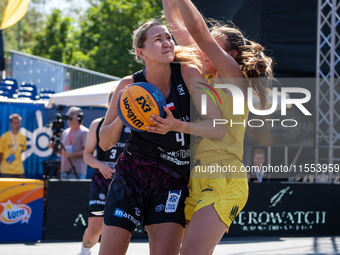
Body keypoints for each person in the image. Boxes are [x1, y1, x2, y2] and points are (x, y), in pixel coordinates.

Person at [156, 1, 274, 254]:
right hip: (196, 176)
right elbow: (178, 28)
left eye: (211, 45)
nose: (200, 49)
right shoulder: (203, 77)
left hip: (224, 175)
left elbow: (198, 31)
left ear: (229, 56)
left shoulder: (233, 78)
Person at [98, 18, 224, 255]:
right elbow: (105, 142)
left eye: (168, 37)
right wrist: (124, 113)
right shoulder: (129, 84)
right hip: (131, 177)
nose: (167, 43)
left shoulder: (188, 74)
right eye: (158, 39)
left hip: (172, 180)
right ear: (141, 52)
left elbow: (218, 127)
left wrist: (176, 125)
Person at [78, 90, 130, 255]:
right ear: (109, 104)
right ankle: (84, 251)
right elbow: (87, 155)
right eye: (114, 102)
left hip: (124, 182)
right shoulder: (98, 124)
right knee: (94, 230)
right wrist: (100, 165)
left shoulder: (134, 124)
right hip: (101, 181)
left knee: (118, 228)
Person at [49, 106, 89, 180]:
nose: (69, 115)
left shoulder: (84, 132)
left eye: (72, 113)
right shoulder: (65, 132)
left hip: (78, 171)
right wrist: (54, 147)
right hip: (64, 171)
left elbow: (87, 152)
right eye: (68, 113)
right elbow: (61, 152)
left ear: (79, 116)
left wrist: (72, 154)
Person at [0, 114, 27, 178]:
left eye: (18, 123)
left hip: (19, 171)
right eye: (14, 123)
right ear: (10, 123)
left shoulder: (23, 137)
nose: (16, 125)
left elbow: (21, 152)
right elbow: (0, 154)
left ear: (20, 124)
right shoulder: (4, 137)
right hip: (6, 170)